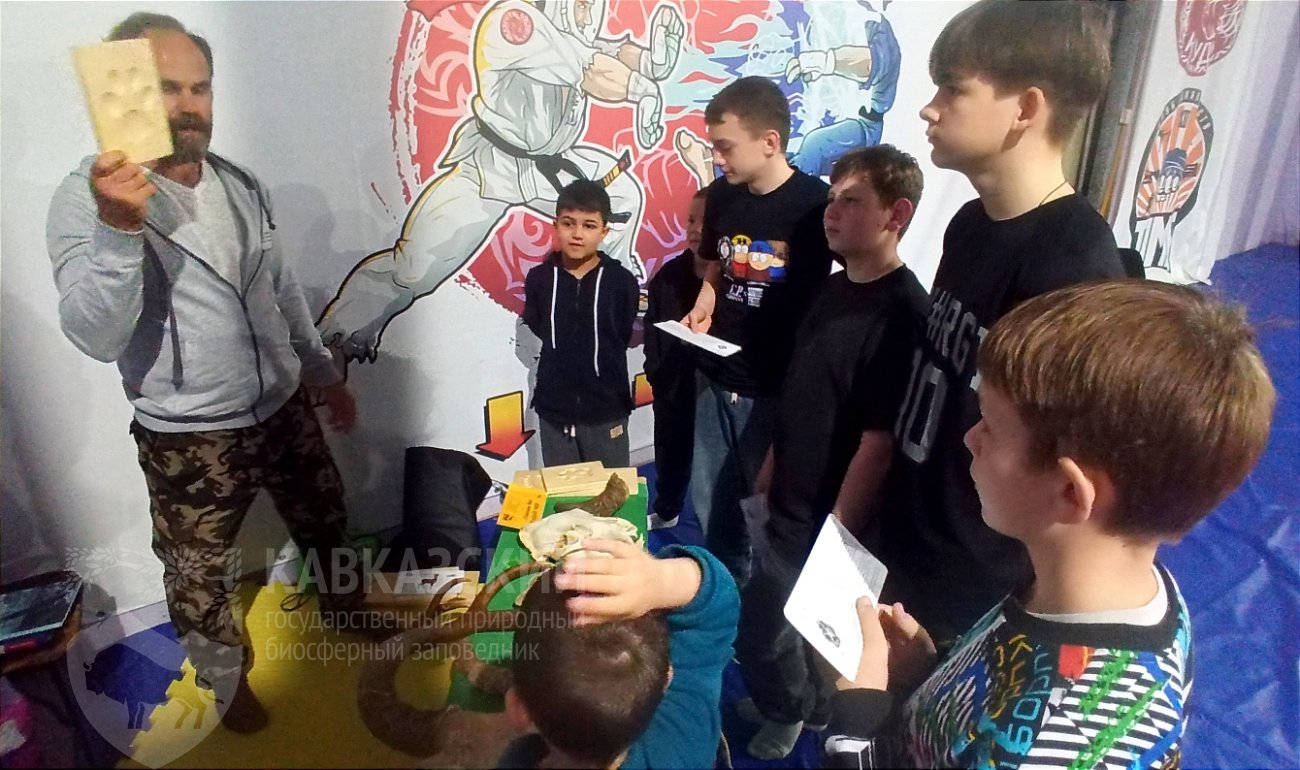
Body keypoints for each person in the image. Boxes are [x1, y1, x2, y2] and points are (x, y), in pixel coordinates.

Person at [45, 13, 363, 732]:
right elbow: (94, 335)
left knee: (327, 522)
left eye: (200, 87)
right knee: (198, 577)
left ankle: (348, 608)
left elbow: (280, 290)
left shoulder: (239, 183)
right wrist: (118, 228)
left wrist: (320, 371)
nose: (189, 105)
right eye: (167, 88)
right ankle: (224, 681)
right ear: (120, 90)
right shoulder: (86, 199)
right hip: (189, 435)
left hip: (282, 406)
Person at [822, 280, 1276, 768]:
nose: (971, 438)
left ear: (1070, 493)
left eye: (990, 425)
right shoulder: (1114, 591)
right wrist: (927, 672)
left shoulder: (1054, 746)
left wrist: (856, 720)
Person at [877, 0, 1127, 641]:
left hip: (969, 583)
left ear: (1025, 108)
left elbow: (1062, 474)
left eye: (953, 88)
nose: (929, 109)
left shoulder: (1074, 266)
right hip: (904, 536)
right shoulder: (968, 224)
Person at [317, 0, 684, 363]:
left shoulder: (568, 30)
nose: (587, 15)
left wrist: (651, 62)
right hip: (491, 166)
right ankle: (337, 337)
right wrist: (643, 90)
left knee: (621, 197)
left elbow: (608, 52)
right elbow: (592, 70)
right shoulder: (514, 21)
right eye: (582, 5)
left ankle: (613, 290)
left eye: (592, 6)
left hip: (547, 166)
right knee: (415, 268)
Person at [734, 145, 930, 759]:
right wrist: (771, 464)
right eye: (831, 198)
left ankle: (797, 710)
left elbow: (879, 442)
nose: (832, 211)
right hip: (790, 495)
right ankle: (796, 701)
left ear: (896, 214)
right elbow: (803, 390)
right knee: (772, 624)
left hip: (827, 519)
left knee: (775, 630)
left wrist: (838, 534)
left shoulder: (904, 314)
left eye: (852, 200)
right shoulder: (833, 287)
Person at [682, 75, 835, 584]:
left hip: (774, 389)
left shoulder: (817, 205)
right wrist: (703, 305)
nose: (717, 159)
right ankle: (724, 594)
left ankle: (762, 603)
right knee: (711, 503)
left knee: (765, 512)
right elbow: (715, 264)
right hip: (714, 375)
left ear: (769, 141)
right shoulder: (722, 197)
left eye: (725, 147)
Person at [499, 539, 740, 769]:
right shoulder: (686, 728)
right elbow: (718, 609)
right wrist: (661, 581)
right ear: (667, 677)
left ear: (517, 709)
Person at [522, 180, 640, 468]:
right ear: (555, 225)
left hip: (607, 410)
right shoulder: (539, 279)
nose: (577, 234)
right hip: (553, 411)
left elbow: (621, 333)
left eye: (588, 225)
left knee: (612, 491)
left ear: (604, 231)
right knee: (564, 493)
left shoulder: (621, 282)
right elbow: (538, 324)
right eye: (568, 223)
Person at [643, 189, 707, 530]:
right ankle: (668, 510)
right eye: (691, 220)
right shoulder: (668, 276)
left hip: (716, 389)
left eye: (706, 221)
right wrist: (656, 372)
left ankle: (722, 523)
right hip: (672, 385)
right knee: (670, 453)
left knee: (718, 464)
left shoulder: (735, 280)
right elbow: (652, 328)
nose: (696, 229)